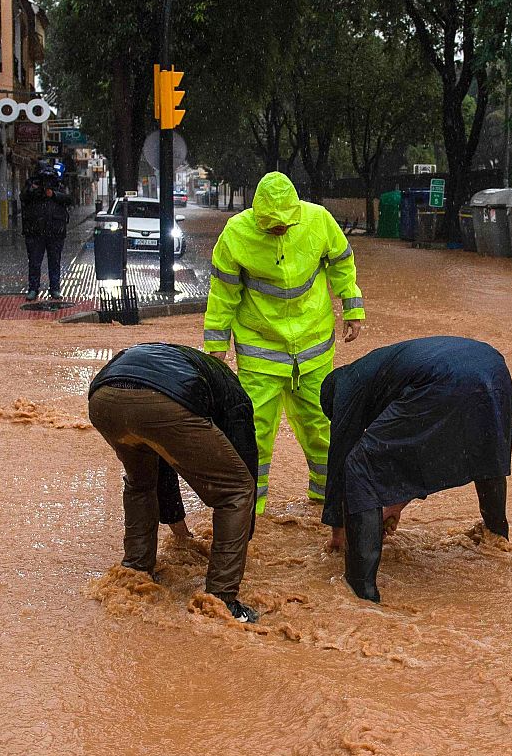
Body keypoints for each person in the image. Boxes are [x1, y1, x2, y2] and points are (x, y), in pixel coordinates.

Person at [203, 171, 365, 515]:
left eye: (284, 224)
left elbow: (341, 263)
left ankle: (327, 501)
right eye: (271, 225)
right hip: (261, 353)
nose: (278, 229)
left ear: (296, 212)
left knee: (322, 426)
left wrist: (352, 306)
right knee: (252, 431)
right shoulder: (235, 234)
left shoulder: (318, 220)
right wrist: (216, 343)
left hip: (314, 347)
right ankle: (248, 510)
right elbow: (223, 294)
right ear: (257, 215)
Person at [318, 337, 512, 603]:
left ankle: (359, 592)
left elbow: (341, 460)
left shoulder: (344, 387)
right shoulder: (379, 371)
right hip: (491, 368)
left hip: (446, 377)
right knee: (484, 448)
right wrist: (396, 504)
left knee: (359, 464)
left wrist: (339, 532)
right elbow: (422, 447)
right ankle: (497, 539)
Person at [88, 343, 261, 623]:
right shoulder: (234, 394)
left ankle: (135, 571)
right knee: (237, 490)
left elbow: (164, 461)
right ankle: (221, 600)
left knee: (140, 482)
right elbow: (245, 459)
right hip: (160, 402)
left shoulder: (188, 365)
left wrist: (180, 531)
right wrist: (246, 532)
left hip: (103, 399)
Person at [21, 161, 72, 300]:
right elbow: (23, 197)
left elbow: (69, 199)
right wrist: (35, 190)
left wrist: (53, 194)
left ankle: (55, 288)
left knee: (54, 262)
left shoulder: (58, 185)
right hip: (35, 231)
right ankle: (33, 288)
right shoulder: (32, 184)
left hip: (55, 231)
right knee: (34, 262)